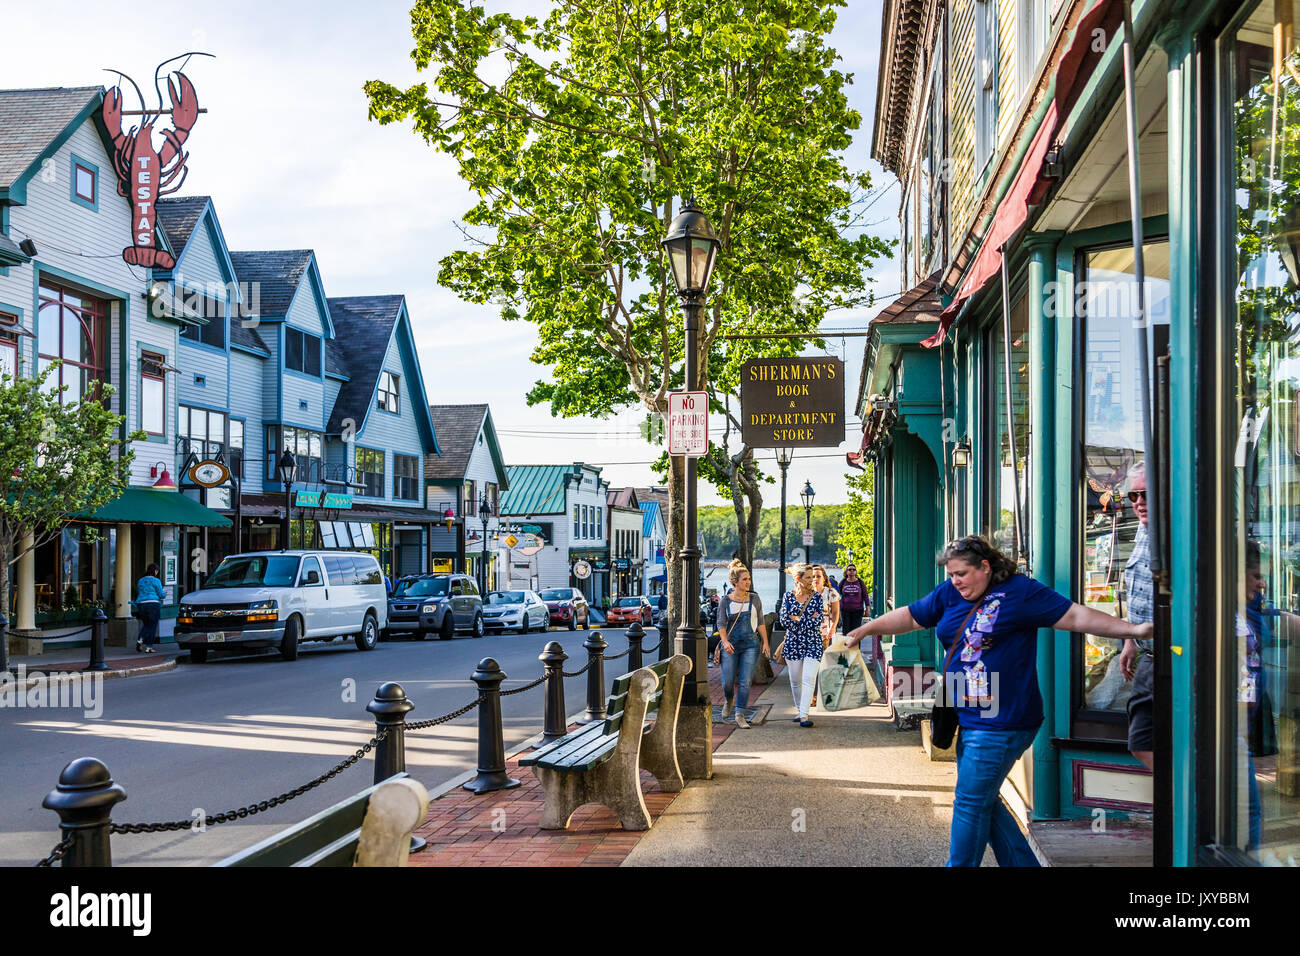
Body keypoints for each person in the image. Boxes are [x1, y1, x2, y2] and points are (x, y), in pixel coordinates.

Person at [845, 535, 1152, 867]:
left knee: (969, 803)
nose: (955, 581)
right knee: (983, 802)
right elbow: (912, 616)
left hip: (1004, 720)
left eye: (961, 573)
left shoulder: (1021, 593)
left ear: (986, 566)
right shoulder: (951, 593)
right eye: (951, 575)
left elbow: (1076, 617)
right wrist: (866, 630)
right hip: (968, 715)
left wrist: (1132, 631)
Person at [1118, 464, 1154, 771]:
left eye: (1146, 493)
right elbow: (1138, 590)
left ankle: (1185, 808)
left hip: (1175, 655)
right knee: (1141, 740)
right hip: (1149, 654)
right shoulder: (1144, 529)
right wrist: (1130, 639)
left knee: (1145, 740)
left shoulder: (1178, 534)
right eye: (1133, 495)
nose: (1138, 502)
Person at [714, 559, 770, 729]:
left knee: (745, 681)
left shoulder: (755, 599)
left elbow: (760, 622)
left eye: (749, 579)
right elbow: (721, 624)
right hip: (730, 646)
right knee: (727, 682)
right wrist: (724, 642)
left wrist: (766, 643)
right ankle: (729, 699)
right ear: (735, 582)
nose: (748, 582)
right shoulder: (725, 601)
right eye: (744, 579)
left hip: (750, 645)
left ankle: (739, 714)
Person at [778, 564, 826, 727]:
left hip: (813, 643)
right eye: (808, 577)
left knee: (808, 678)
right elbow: (784, 620)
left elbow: (817, 621)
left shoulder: (817, 597)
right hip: (793, 644)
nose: (812, 580)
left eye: (813, 577)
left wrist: (797, 619)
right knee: (795, 681)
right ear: (798, 579)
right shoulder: (788, 597)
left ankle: (804, 715)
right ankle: (800, 710)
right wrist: (806, 620)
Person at [135, 563, 165, 654]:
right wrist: (164, 594)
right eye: (157, 571)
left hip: (141, 605)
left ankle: (140, 639)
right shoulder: (156, 581)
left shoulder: (140, 580)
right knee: (152, 625)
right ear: (155, 571)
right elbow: (161, 595)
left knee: (147, 625)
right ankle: (149, 647)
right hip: (153, 604)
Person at [839, 565, 867, 634]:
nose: (852, 571)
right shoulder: (843, 582)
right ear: (846, 571)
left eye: (853, 570)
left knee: (856, 631)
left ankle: (856, 645)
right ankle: (847, 645)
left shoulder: (860, 582)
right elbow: (837, 595)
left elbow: (865, 596)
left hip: (858, 610)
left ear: (856, 571)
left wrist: (867, 608)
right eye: (849, 569)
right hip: (845, 611)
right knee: (846, 631)